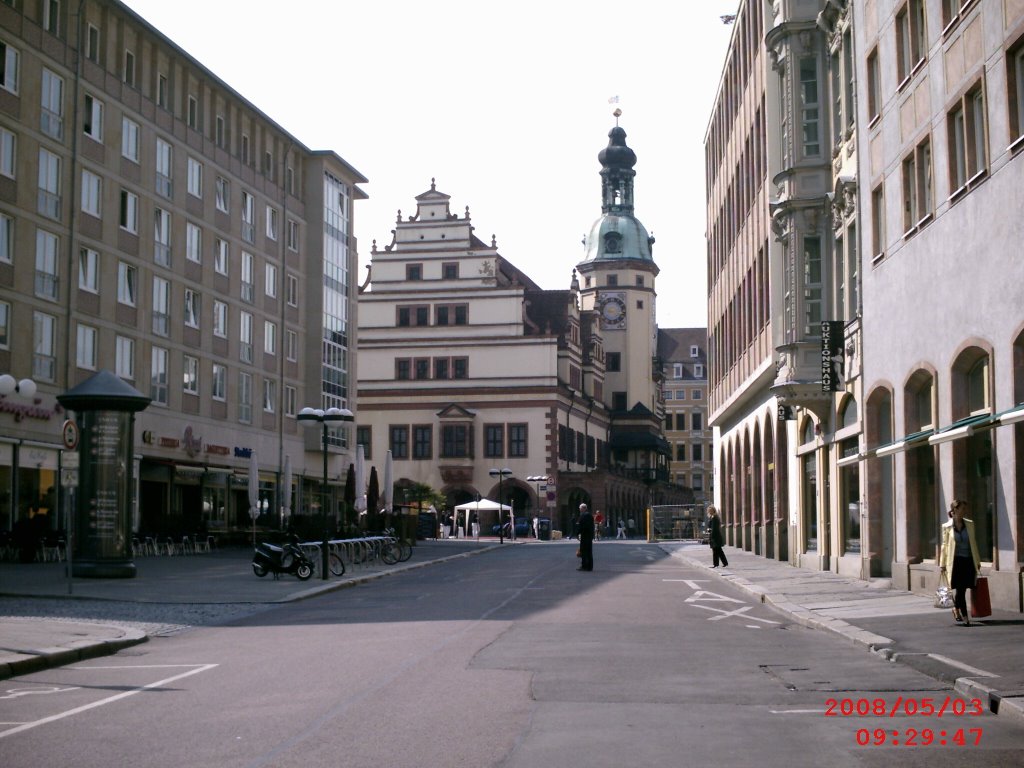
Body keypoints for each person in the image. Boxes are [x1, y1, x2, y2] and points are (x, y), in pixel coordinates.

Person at [939, 499, 980, 626]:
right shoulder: (946, 527)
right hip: (955, 562)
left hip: (968, 560)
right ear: (955, 510)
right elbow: (944, 546)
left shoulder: (970, 524)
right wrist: (942, 564)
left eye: (965, 509)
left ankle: (956, 609)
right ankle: (965, 616)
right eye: (962, 509)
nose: (964, 511)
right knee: (960, 589)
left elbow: (973, 543)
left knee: (963, 589)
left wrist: (977, 561)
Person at [577, 503, 595, 571]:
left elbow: (581, 526)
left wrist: (578, 533)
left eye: (580, 508)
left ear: (583, 508)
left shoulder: (583, 516)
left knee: (584, 551)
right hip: (589, 535)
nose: (579, 510)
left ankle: (584, 566)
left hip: (584, 535)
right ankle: (590, 566)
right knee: (589, 551)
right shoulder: (590, 515)